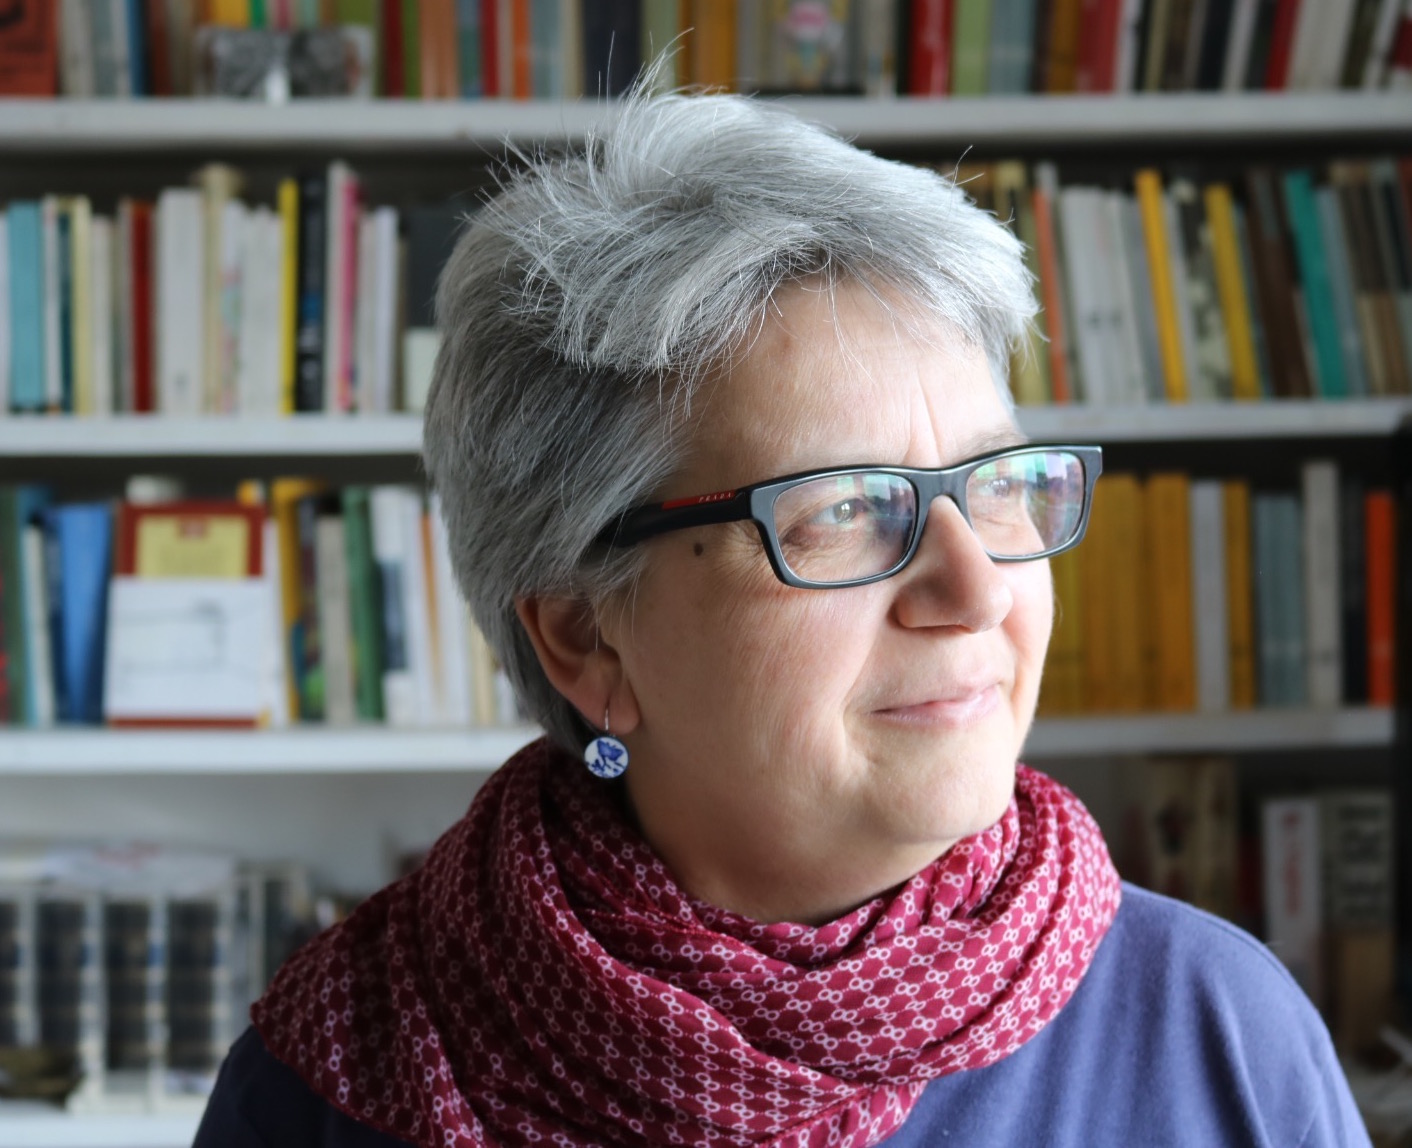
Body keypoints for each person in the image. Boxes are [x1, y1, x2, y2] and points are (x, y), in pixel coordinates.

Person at [193, 91, 1370, 1147]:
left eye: (998, 482)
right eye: (843, 509)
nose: (976, 590)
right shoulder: (330, 1086)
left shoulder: (1215, 1031)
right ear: (584, 637)